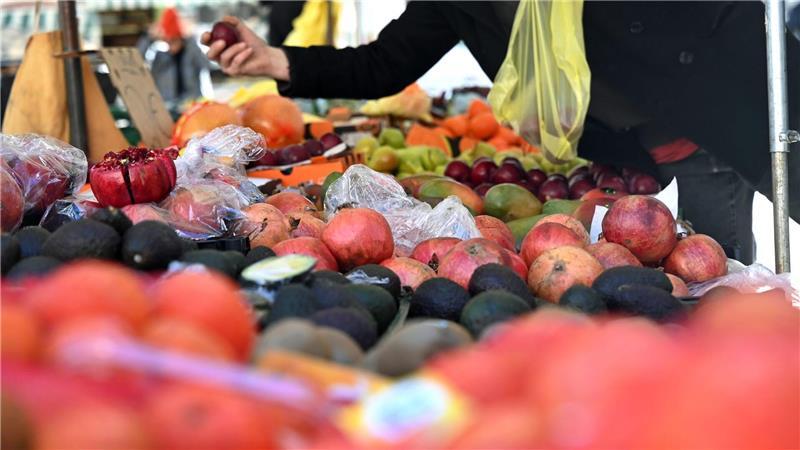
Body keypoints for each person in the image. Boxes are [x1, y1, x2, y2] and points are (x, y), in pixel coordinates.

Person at [203, 2, 800, 264]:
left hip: (715, 123)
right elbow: (383, 63)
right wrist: (275, 61)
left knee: (720, 275)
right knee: (686, 284)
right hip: (625, 147)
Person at [137, 8, 209, 104]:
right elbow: (137, 60)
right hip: (167, 105)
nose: (171, 45)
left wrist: (191, 40)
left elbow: (206, 65)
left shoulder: (191, 52)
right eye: (168, 41)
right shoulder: (160, 55)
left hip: (192, 103)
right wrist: (148, 38)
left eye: (174, 40)